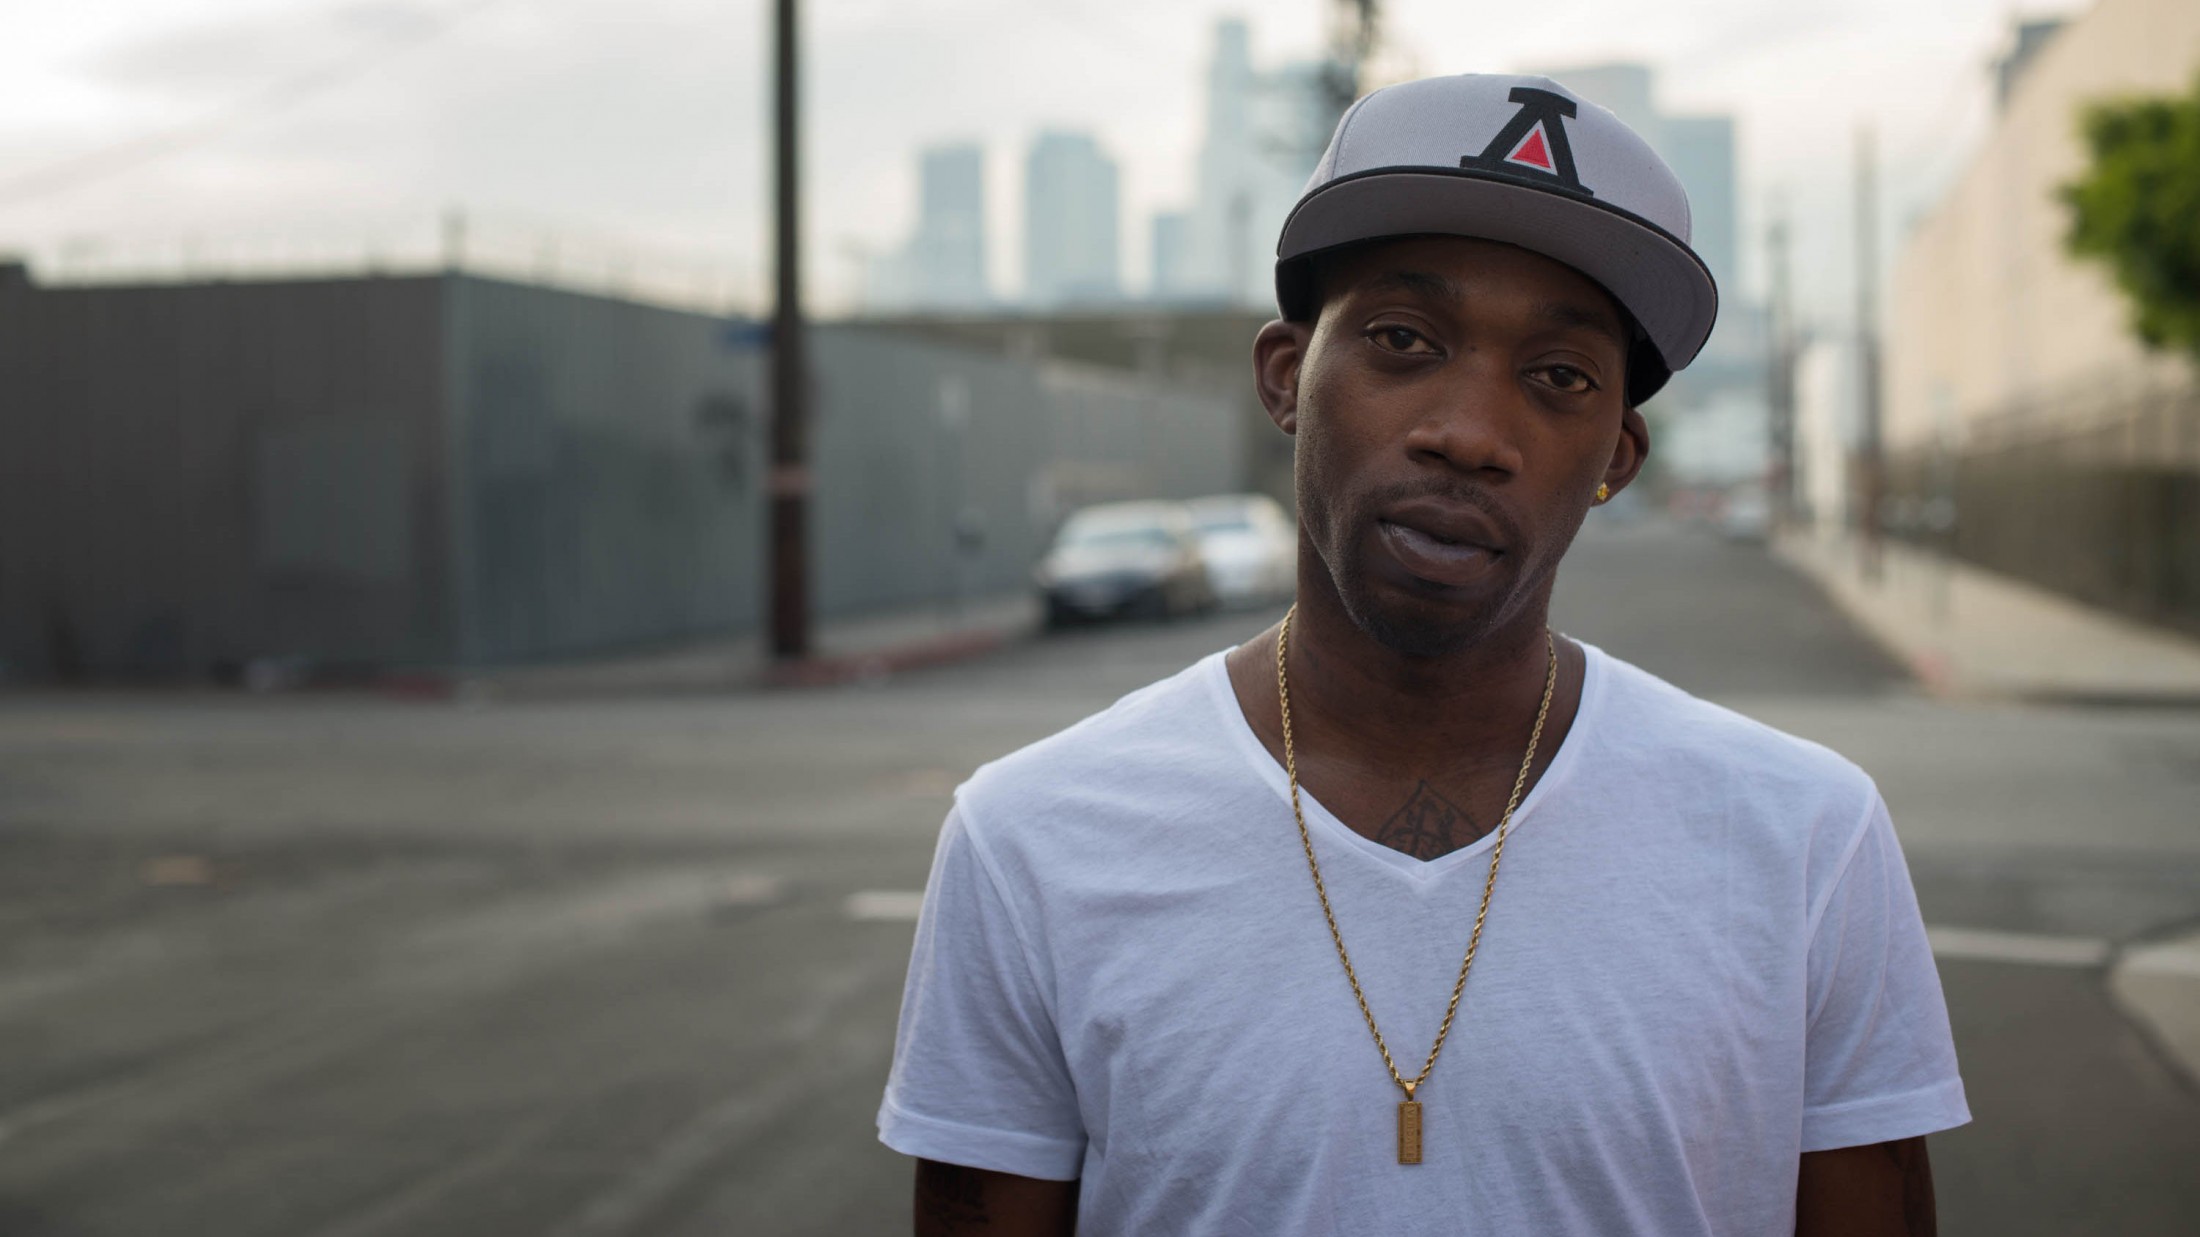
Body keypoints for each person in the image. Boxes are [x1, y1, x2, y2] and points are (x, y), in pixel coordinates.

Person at [877, 73, 1968, 1236]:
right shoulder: (1031, 837)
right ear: (1286, 377)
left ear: (1616, 456)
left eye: (1558, 377)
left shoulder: (1804, 835)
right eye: (1402, 340)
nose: (1469, 433)